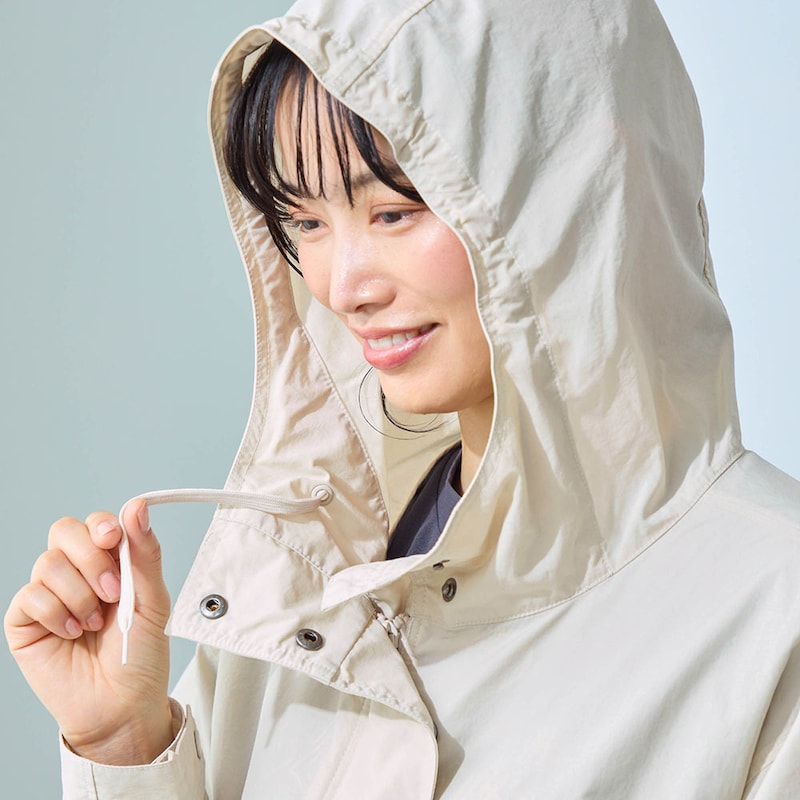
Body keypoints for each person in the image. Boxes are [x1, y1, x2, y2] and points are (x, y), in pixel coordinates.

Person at [5, 0, 800, 797]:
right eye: (304, 222)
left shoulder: (774, 612)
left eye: (394, 210)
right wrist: (124, 744)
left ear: (574, 191)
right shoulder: (302, 584)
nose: (343, 287)